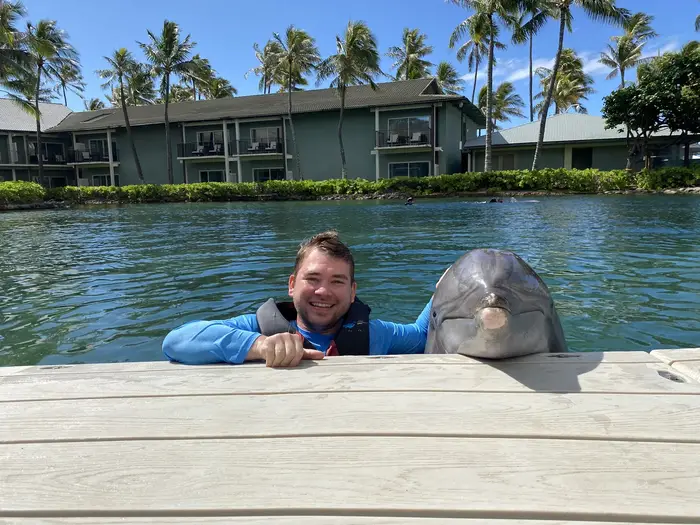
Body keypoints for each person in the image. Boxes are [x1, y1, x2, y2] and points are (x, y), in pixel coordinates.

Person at [162, 230, 435, 367]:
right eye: (312, 279)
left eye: (337, 282)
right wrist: (260, 347)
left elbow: (422, 335)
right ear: (292, 285)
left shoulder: (375, 335)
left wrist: (448, 282)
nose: (323, 291)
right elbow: (176, 341)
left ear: (353, 293)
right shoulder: (260, 329)